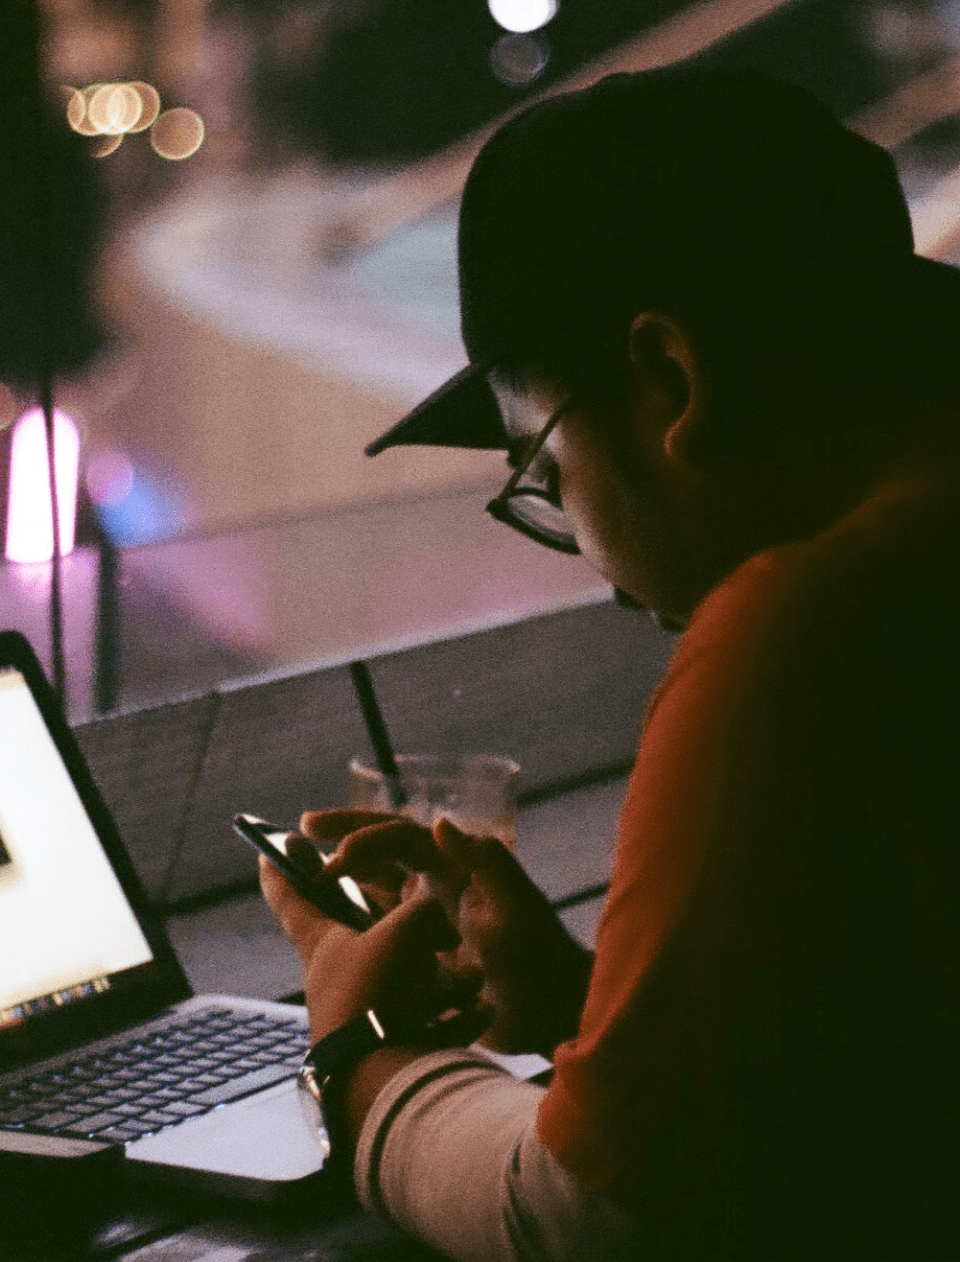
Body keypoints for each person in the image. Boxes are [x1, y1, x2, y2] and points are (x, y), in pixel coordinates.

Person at [262, 63, 960, 1261]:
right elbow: (880, 1087)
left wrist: (358, 1056)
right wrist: (607, 1007)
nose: (605, 573)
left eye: (544, 472)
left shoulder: (805, 624)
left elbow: (590, 1216)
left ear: (671, 385)